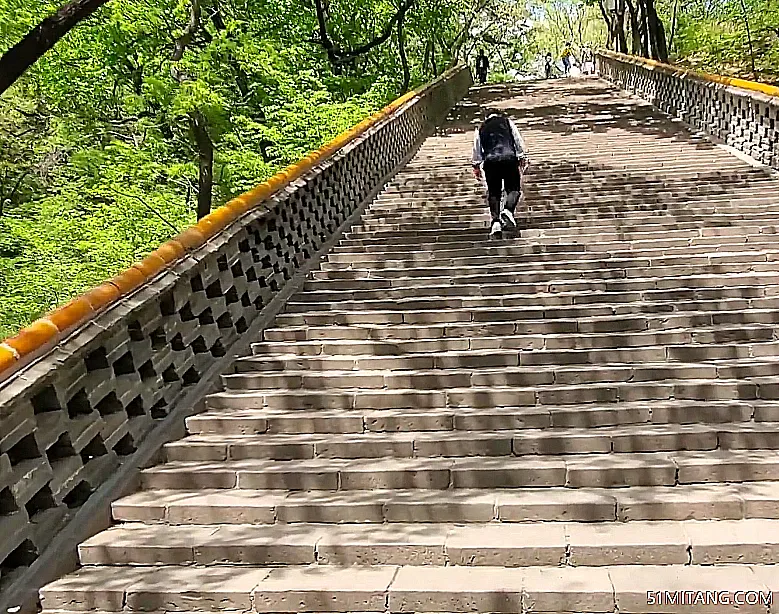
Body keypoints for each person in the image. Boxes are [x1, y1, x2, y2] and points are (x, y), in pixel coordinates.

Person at [471, 112, 530, 239]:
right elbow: (517, 138)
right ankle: (508, 210)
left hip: (490, 162)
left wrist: (476, 165)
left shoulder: (481, 127)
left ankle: (496, 223)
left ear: (486, 117)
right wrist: (521, 156)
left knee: (494, 193)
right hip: (509, 158)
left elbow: (477, 147)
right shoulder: (507, 122)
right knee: (513, 188)